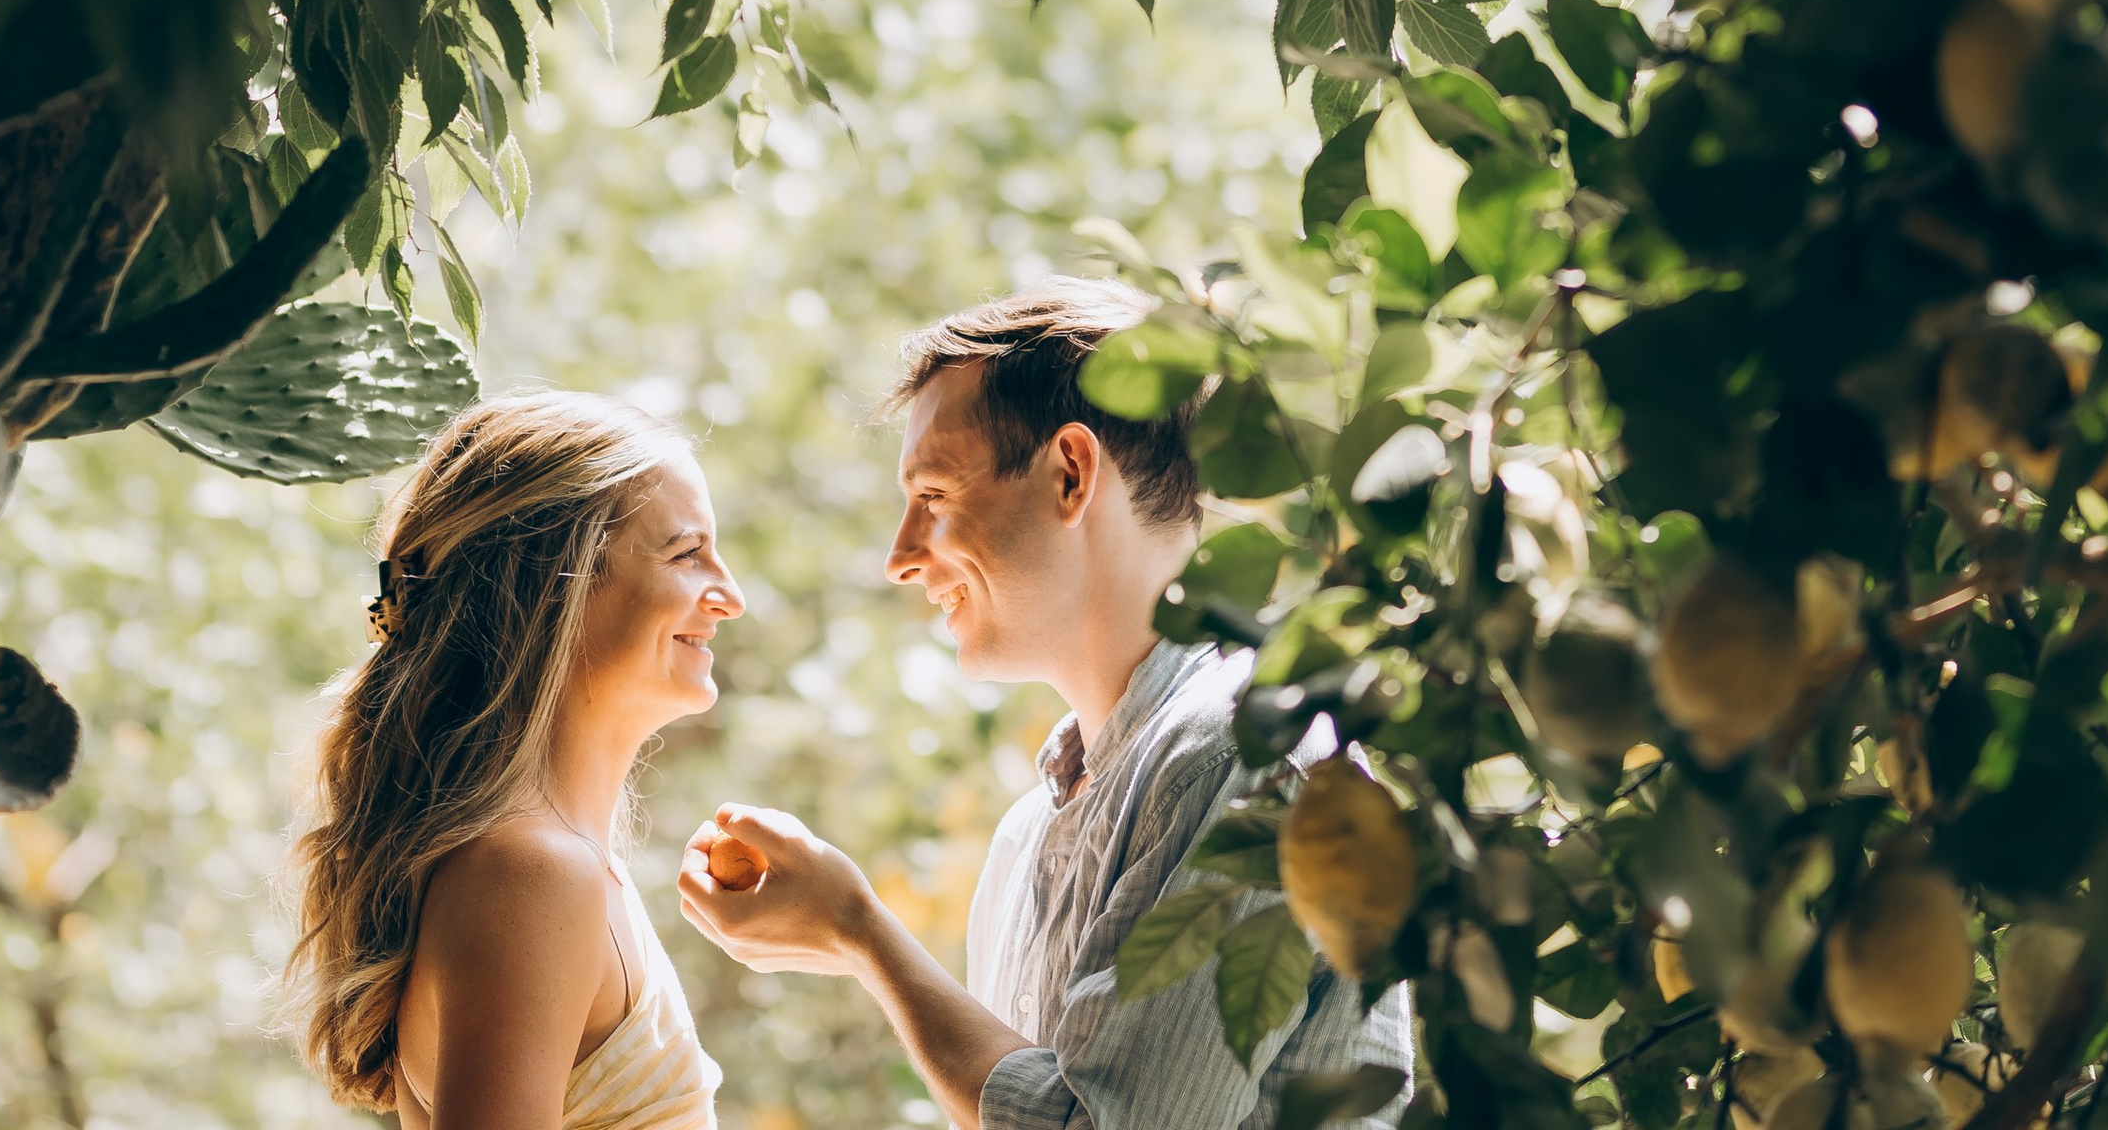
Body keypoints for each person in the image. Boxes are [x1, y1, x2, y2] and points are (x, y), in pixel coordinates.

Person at [676, 283, 1412, 1130]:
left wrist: (860, 934)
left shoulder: (1247, 757)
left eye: (934, 496)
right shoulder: (1026, 838)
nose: (900, 558)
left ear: (1070, 474)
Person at [284, 391, 744, 1130]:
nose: (731, 596)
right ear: (556, 584)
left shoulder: (552, 865)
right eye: (687, 554)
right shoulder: (533, 875)